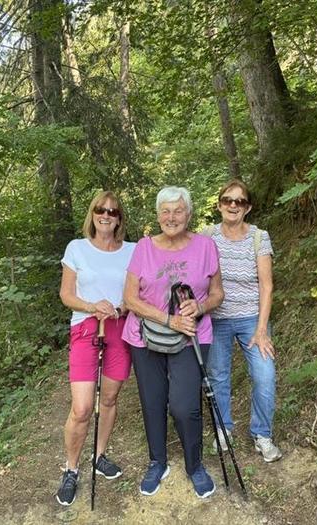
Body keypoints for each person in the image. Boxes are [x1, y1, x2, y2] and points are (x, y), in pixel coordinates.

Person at [122, 186, 224, 498]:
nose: (171, 217)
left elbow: (218, 293)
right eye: (165, 211)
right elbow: (129, 298)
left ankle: (195, 466)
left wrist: (201, 306)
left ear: (189, 214)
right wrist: (168, 320)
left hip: (192, 336)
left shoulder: (205, 246)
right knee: (152, 402)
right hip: (144, 337)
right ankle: (158, 462)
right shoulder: (143, 247)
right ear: (157, 215)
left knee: (183, 406)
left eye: (178, 210)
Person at [55, 191, 136, 506]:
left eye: (113, 211)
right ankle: (71, 468)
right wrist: (93, 305)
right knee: (83, 408)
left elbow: (136, 292)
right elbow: (66, 294)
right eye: (101, 210)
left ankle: (100, 455)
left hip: (119, 327)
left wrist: (123, 306)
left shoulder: (132, 251)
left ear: (119, 218)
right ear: (93, 214)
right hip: (86, 326)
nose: (106, 215)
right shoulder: (77, 248)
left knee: (111, 397)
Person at [204, 179, 283, 463]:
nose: (233, 205)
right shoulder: (207, 237)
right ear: (219, 205)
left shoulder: (259, 238)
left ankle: (262, 433)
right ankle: (223, 429)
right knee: (218, 377)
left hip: (252, 319)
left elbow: (267, 285)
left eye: (239, 201)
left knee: (265, 376)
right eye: (227, 200)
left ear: (247, 207)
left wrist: (262, 329)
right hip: (216, 320)